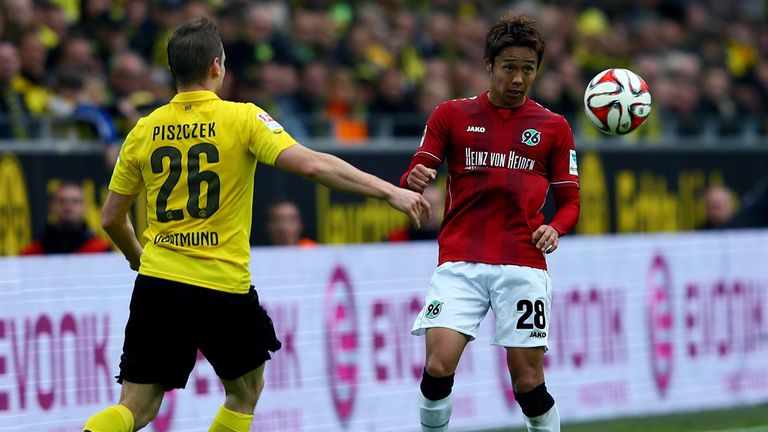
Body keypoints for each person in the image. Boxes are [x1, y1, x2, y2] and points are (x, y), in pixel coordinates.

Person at [84, 17, 429, 432]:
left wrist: (138, 257)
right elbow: (314, 166)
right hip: (221, 284)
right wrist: (389, 191)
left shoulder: (143, 130)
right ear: (216, 66)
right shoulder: (243, 118)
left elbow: (111, 218)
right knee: (245, 391)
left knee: (136, 406)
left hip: (158, 283)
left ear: (174, 71)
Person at [401, 14, 580, 432]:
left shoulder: (553, 127)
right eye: (509, 67)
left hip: (523, 264)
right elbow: (417, 167)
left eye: (528, 69)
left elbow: (570, 202)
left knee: (528, 384)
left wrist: (556, 227)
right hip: (460, 262)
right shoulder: (451, 115)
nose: (518, 78)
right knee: (437, 366)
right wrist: (415, 176)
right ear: (488, 64)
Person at [21, 182, 111, 255]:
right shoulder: (34, 252)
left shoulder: (100, 251)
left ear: (84, 208)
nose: (68, 206)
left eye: (75, 201)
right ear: (51, 207)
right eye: (62, 201)